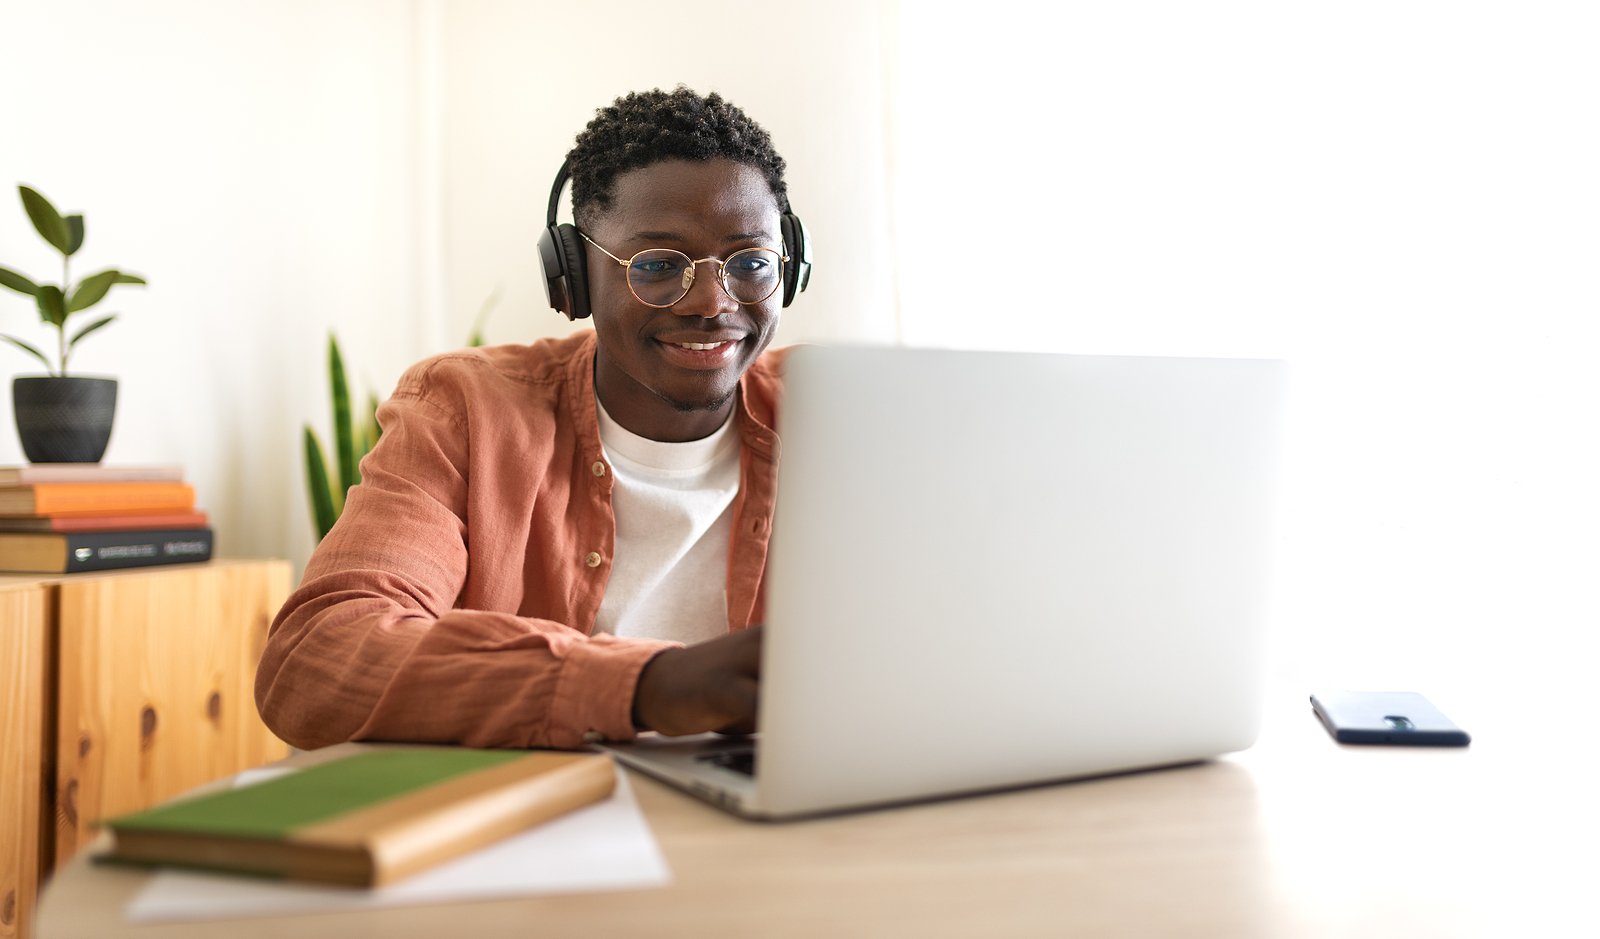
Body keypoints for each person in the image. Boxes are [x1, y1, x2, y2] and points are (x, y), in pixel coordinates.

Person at [255, 87, 808, 750]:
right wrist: (646, 684)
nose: (712, 302)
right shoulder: (464, 411)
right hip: (539, 821)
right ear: (571, 275)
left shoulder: (837, 416)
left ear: (789, 265)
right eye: (658, 266)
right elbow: (318, 659)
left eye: (750, 263)